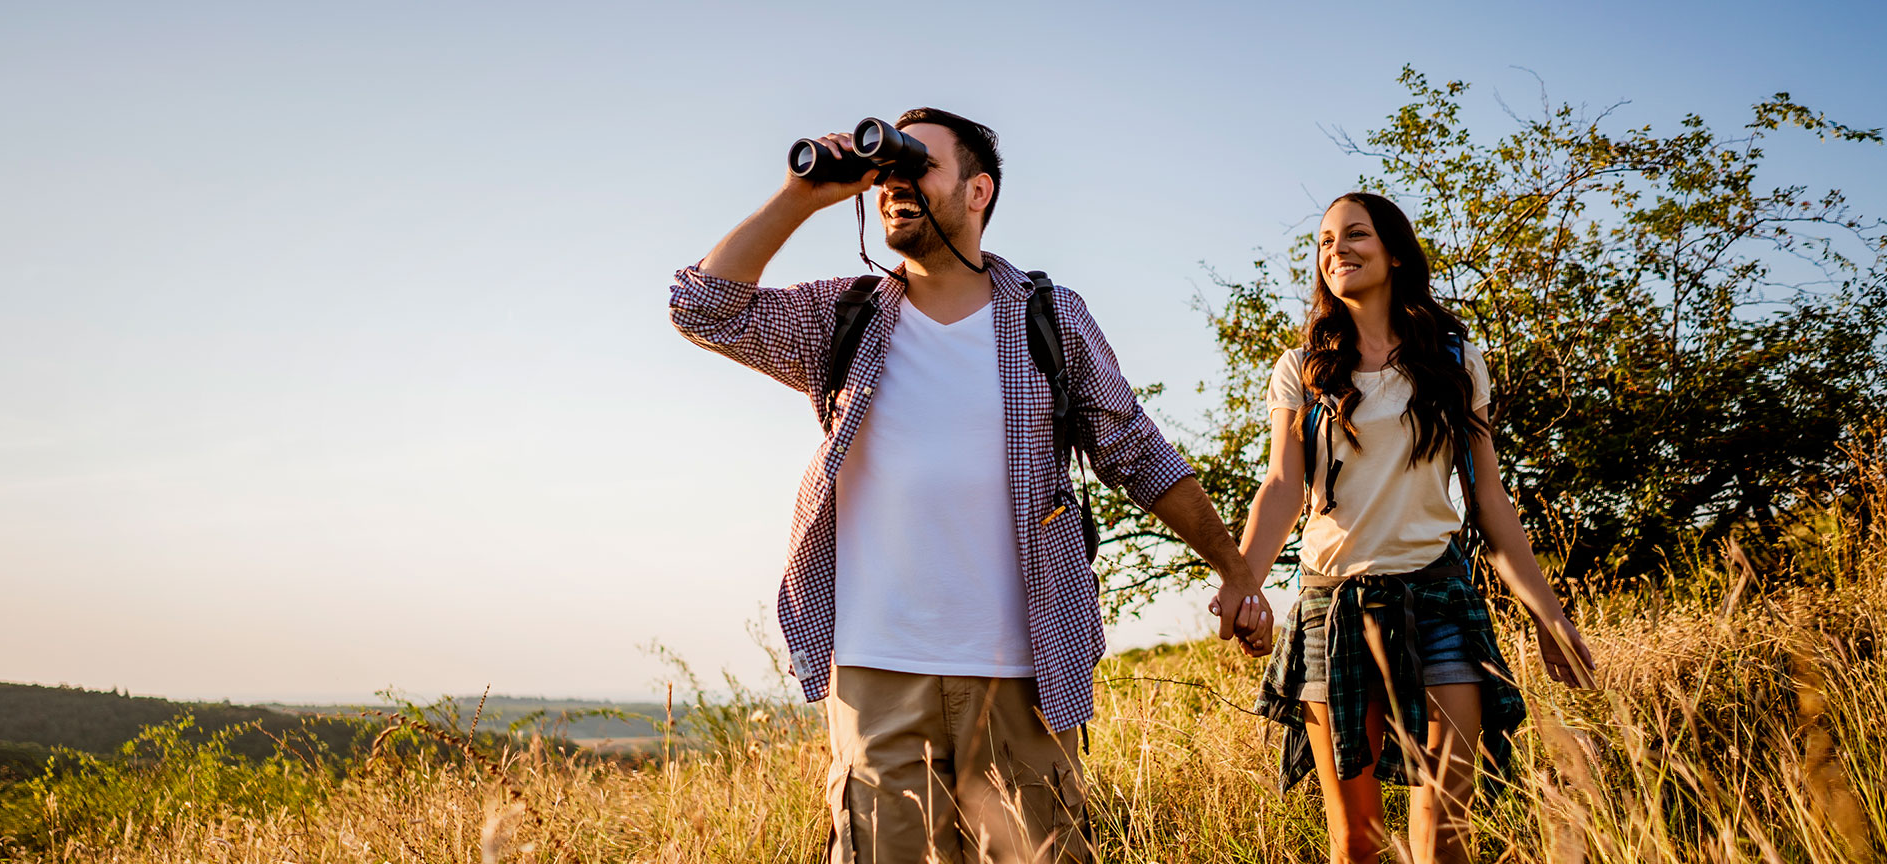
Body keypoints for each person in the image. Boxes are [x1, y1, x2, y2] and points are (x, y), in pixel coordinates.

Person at [669, 108, 1273, 862]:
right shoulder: (843, 315)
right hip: (876, 670)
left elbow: (1136, 452)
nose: (894, 182)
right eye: (886, 170)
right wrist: (801, 197)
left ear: (978, 191)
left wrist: (1235, 569)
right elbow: (700, 307)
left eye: (917, 164)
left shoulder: (1047, 318)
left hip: (1021, 669)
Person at [1216, 192, 1598, 863]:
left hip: (1438, 602)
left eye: (1355, 235)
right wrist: (1242, 582)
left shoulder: (1455, 360)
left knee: (1445, 831)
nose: (1337, 250)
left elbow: (1488, 499)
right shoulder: (1301, 370)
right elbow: (1280, 489)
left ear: (1394, 253)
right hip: (1332, 609)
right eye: (1326, 241)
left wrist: (1549, 615)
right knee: (1355, 842)